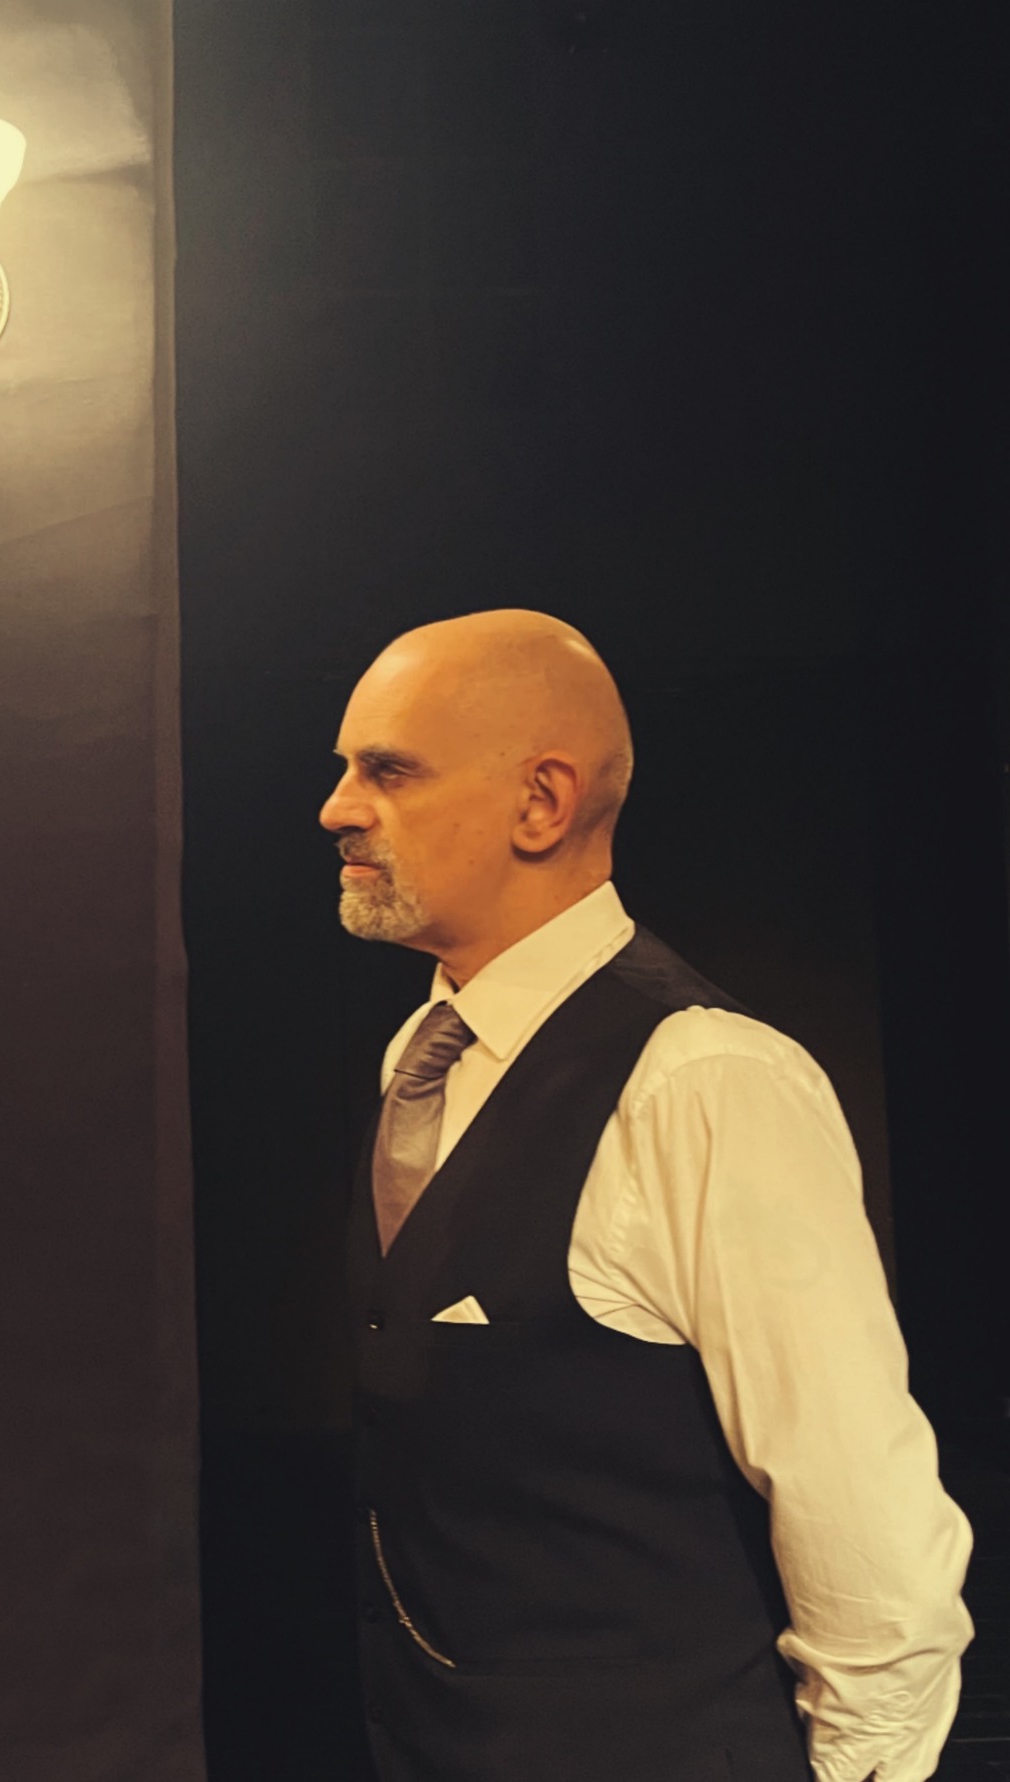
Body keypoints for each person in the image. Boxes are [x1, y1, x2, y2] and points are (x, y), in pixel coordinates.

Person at [317, 610, 972, 1782]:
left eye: (388, 770)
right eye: (343, 769)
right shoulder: (420, 1056)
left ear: (540, 803)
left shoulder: (704, 1080)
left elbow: (855, 1504)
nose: (337, 808)